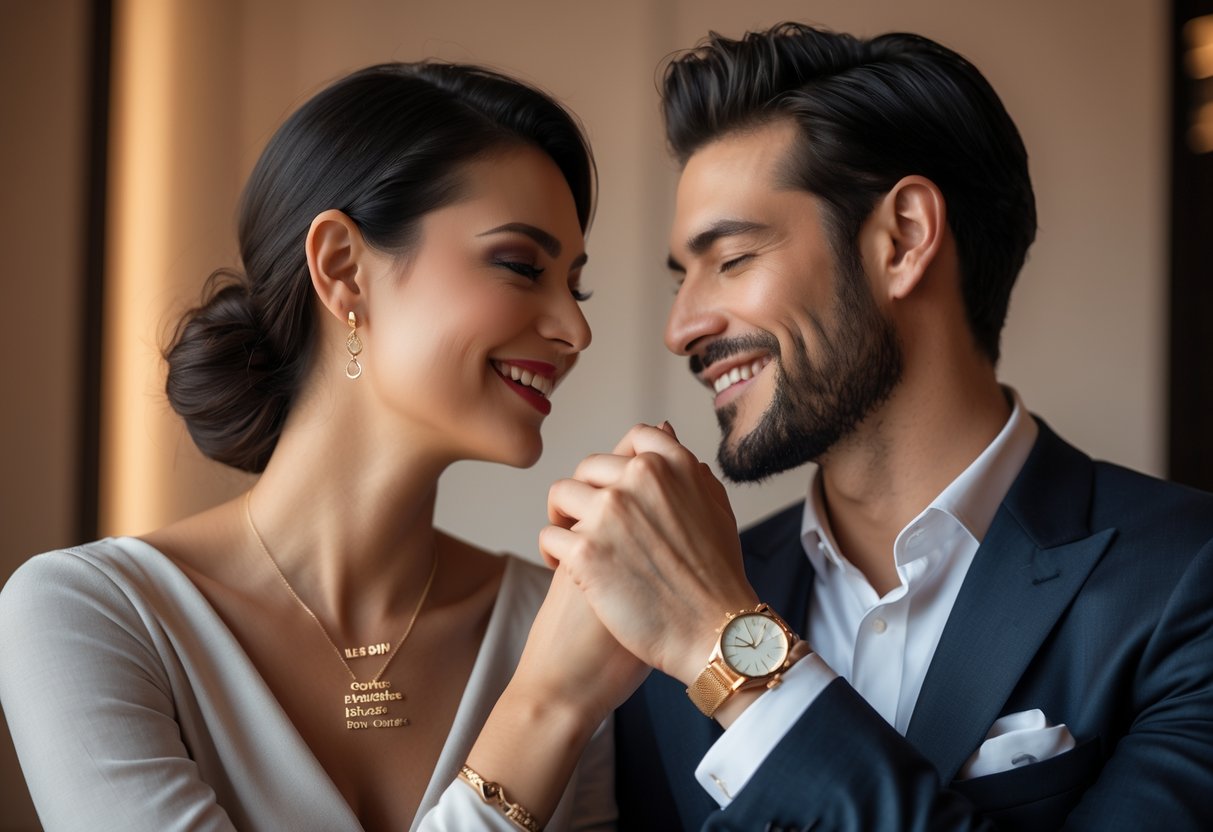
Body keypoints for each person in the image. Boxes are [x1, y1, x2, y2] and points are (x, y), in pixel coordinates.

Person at [539, 22, 1213, 831]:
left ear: (902, 240)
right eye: (683, 277)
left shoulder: (1187, 576)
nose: (681, 326)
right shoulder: (662, 609)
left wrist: (733, 653)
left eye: (731, 258)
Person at [0, 61, 645, 831]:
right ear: (343, 269)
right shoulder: (85, 615)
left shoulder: (555, 620)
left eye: (574, 286)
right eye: (519, 265)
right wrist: (543, 708)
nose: (575, 330)